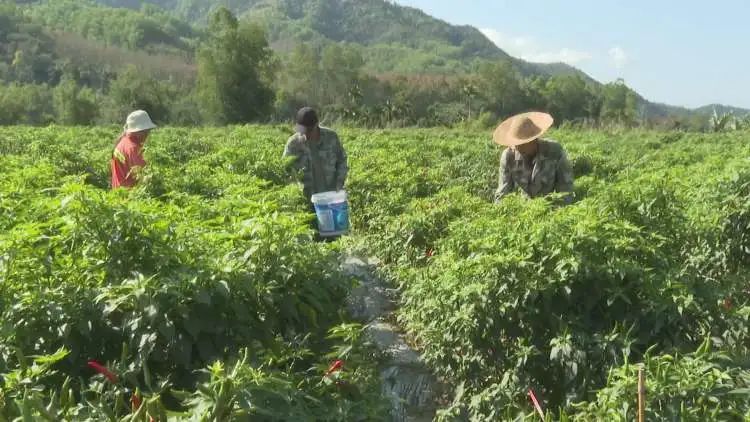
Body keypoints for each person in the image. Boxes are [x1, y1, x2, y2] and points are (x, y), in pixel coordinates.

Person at [493, 111, 574, 204]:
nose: (518, 147)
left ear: (533, 140)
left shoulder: (554, 152)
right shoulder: (508, 157)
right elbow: (502, 192)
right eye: (515, 143)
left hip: (551, 207)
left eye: (522, 143)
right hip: (524, 210)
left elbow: (566, 189)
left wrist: (558, 212)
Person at [283, 107, 348, 207]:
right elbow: (285, 170)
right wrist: (295, 189)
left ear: (316, 125)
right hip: (307, 201)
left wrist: (340, 181)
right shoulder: (293, 144)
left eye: (309, 131)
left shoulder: (331, 137)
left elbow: (342, 160)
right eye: (302, 131)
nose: (305, 134)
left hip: (331, 197)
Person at [111, 110, 156, 189]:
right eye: (146, 132)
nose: (147, 134)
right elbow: (144, 177)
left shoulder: (123, 141)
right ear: (139, 132)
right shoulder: (134, 149)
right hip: (130, 196)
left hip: (118, 193)